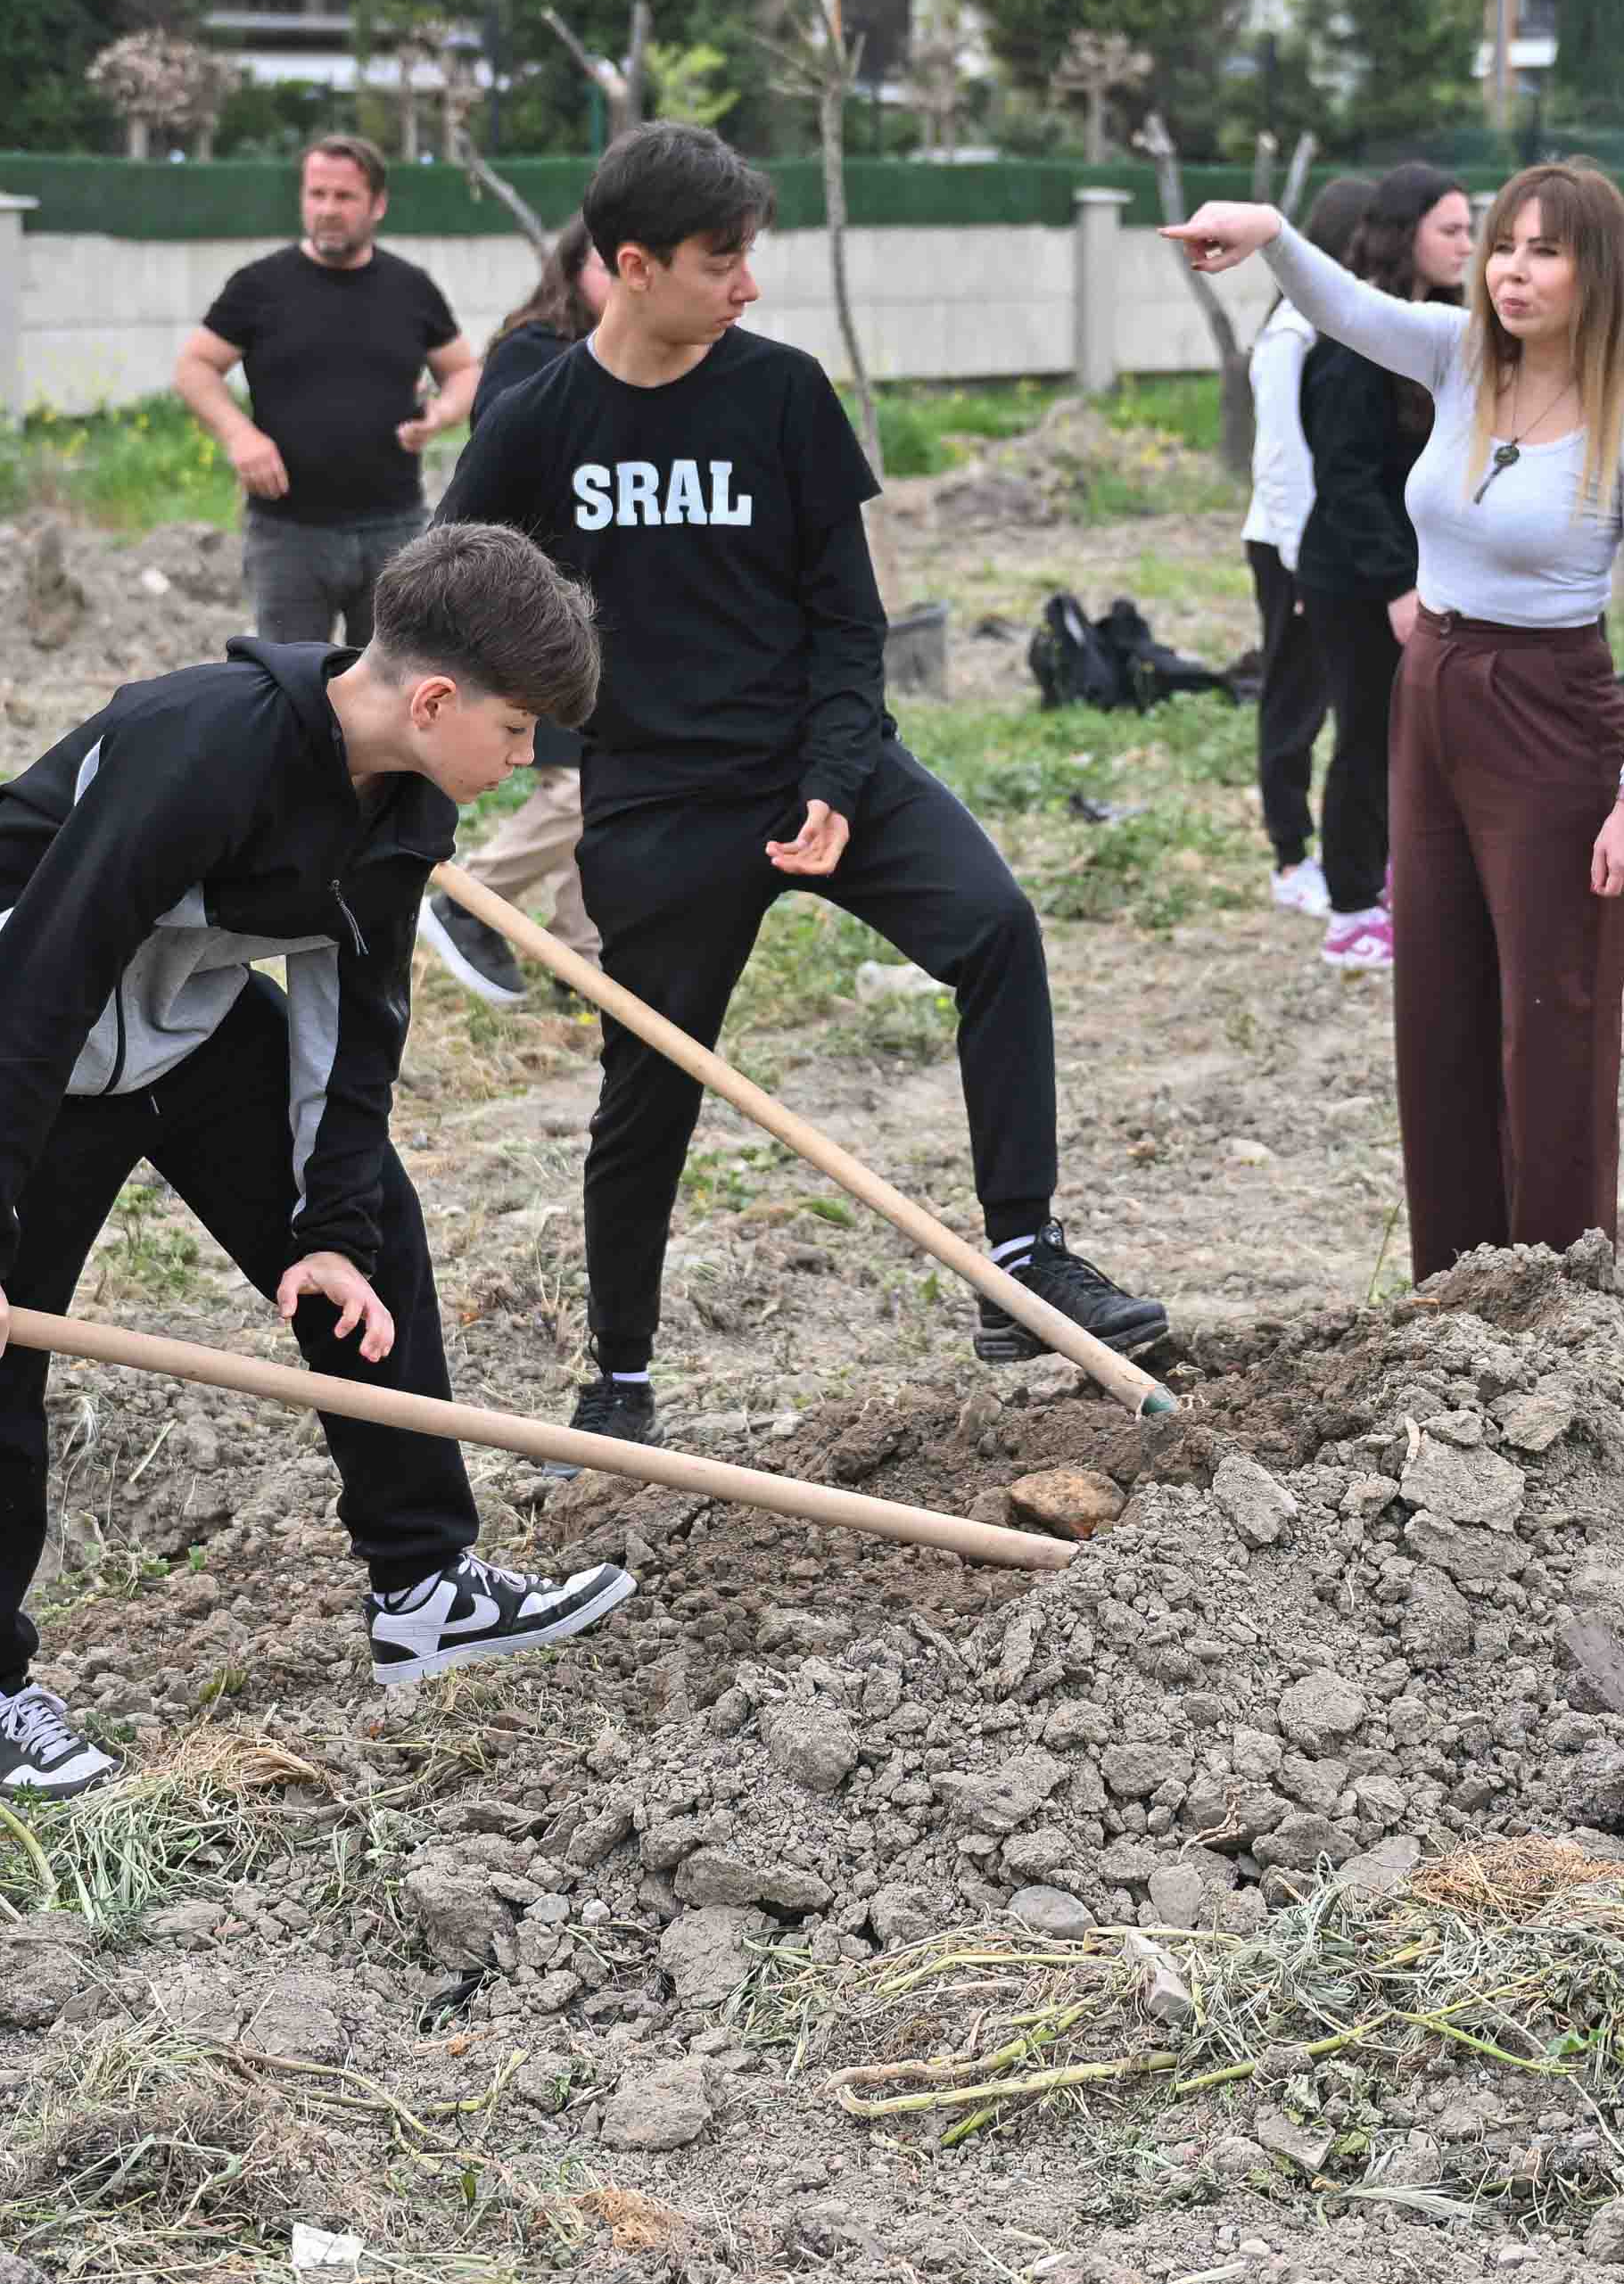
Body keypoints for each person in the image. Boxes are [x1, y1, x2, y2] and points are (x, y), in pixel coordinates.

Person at [441, 124, 1171, 1444]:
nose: (749, 284)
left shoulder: (780, 393)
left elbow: (848, 618)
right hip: (657, 801)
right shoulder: (537, 422)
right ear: (632, 265)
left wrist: (837, 777)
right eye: (721, 260)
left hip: (820, 764)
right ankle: (620, 1379)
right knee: (647, 1090)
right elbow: (448, 604)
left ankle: (1022, 1256)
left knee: (996, 929)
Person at [0, 525, 637, 1801]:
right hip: (22, 1034)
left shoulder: (406, 795)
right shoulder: (202, 745)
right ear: (434, 699)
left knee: (374, 1234)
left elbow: (355, 1016)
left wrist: (332, 1229)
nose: (525, 762)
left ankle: (424, 1583)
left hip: (185, 1022)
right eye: (517, 730)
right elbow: (42, 975)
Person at [1176, 165, 1624, 1278]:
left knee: (1552, 1011)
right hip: (1433, 688)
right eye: (1502, 245)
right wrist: (1271, 232)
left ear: (1597, 271)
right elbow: (1346, 308)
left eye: (1545, 250)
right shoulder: (1459, 358)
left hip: (1552, 710)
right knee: (1438, 997)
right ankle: (1457, 1282)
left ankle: (1559, 1283)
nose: (1512, 270)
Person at [179, 138, 476, 646]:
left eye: (344, 196)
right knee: (286, 682)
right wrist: (240, 436)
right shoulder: (259, 286)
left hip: (394, 528)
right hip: (288, 533)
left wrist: (442, 413)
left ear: (378, 204)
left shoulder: (410, 288)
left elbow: (465, 369)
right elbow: (194, 367)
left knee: (392, 680)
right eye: (316, 194)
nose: (328, 210)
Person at [418, 218, 608, 1005]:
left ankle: (582, 964)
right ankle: (468, 898)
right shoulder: (535, 351)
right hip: (538, 600)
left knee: (595, 784)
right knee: (575, 786)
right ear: (575, 266)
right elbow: (507, 462)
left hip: (604, 605)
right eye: (609, 262)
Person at [1290, 167, 1473, 973]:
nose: (1468, 246)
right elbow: (1346, 477)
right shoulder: (1358, 338)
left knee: (1418, 741)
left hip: (1421, 573)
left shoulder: (1451, 331)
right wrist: (1398, 582)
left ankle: (1396, 877)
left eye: (1470, 230)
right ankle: (1352, 910)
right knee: (1366, 736)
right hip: (1357, 577)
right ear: (1406, 235)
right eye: (1451, 230)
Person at [1243, 177, 1369, 922]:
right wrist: (1298, 566)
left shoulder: (1352, 320)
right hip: (1291, 546)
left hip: (1339, 547)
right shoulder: (1293, 332)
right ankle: (1291, 857)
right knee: (1294, 700)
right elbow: (1281, 462)